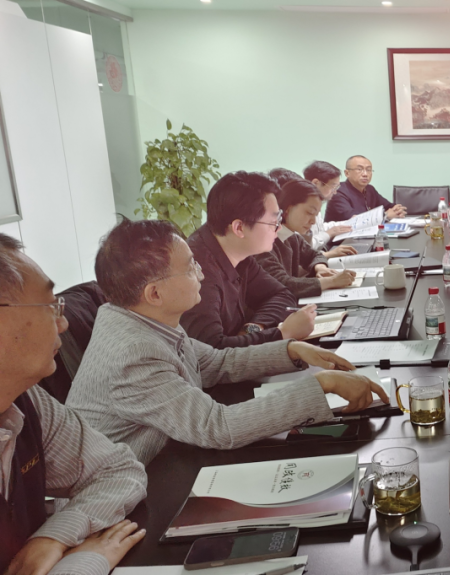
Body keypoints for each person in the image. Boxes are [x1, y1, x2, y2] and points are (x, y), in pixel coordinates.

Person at [67, 219, 389, 465]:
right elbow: (217, 427)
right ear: (154, 293)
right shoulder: (133, 353)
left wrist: (291, 349)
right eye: (190, 267)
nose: (201, 273)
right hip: (124, 501)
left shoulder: (144, 318)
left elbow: (214, 363)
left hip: (166, 459)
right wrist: (322, 384)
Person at [0, 234, 147, 575]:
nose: (63, 323)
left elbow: (118, 470)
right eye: (50, 306)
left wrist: (54, 536)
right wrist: (87, 560)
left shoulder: (25, 400)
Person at [182, 171, 317, 349]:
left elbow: (281, 295)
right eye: (273, 222)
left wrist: (253, 328)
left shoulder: (236, 250)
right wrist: (283, 333)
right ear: (239, 228)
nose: (278, 228)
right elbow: (212, 351)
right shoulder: (197, 272)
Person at [254, 180, 356, 298]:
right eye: (309, 213)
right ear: (287, 209)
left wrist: (320, 268)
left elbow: (314, 255)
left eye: (315, 215)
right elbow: (281, 284)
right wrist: (331, 281)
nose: (313, 221)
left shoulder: (292, 237)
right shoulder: (264, 244)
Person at [325, 155, 407, 223]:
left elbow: (388, 206)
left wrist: (397, 209)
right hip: (342, 237)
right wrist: (385, 215)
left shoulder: (370, 189)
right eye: (359, 169)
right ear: (347, 173)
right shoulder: (337, 192)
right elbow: (354, 220)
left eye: (369, 170)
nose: (365, 174)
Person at [303, 160, 355, 254]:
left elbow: (319, 228)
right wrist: (329, 234)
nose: (335, 192)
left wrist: (349, 223)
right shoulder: (302, 206)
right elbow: (304, 246)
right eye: (333, 187)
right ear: (315, 183)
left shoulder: (316, 202)